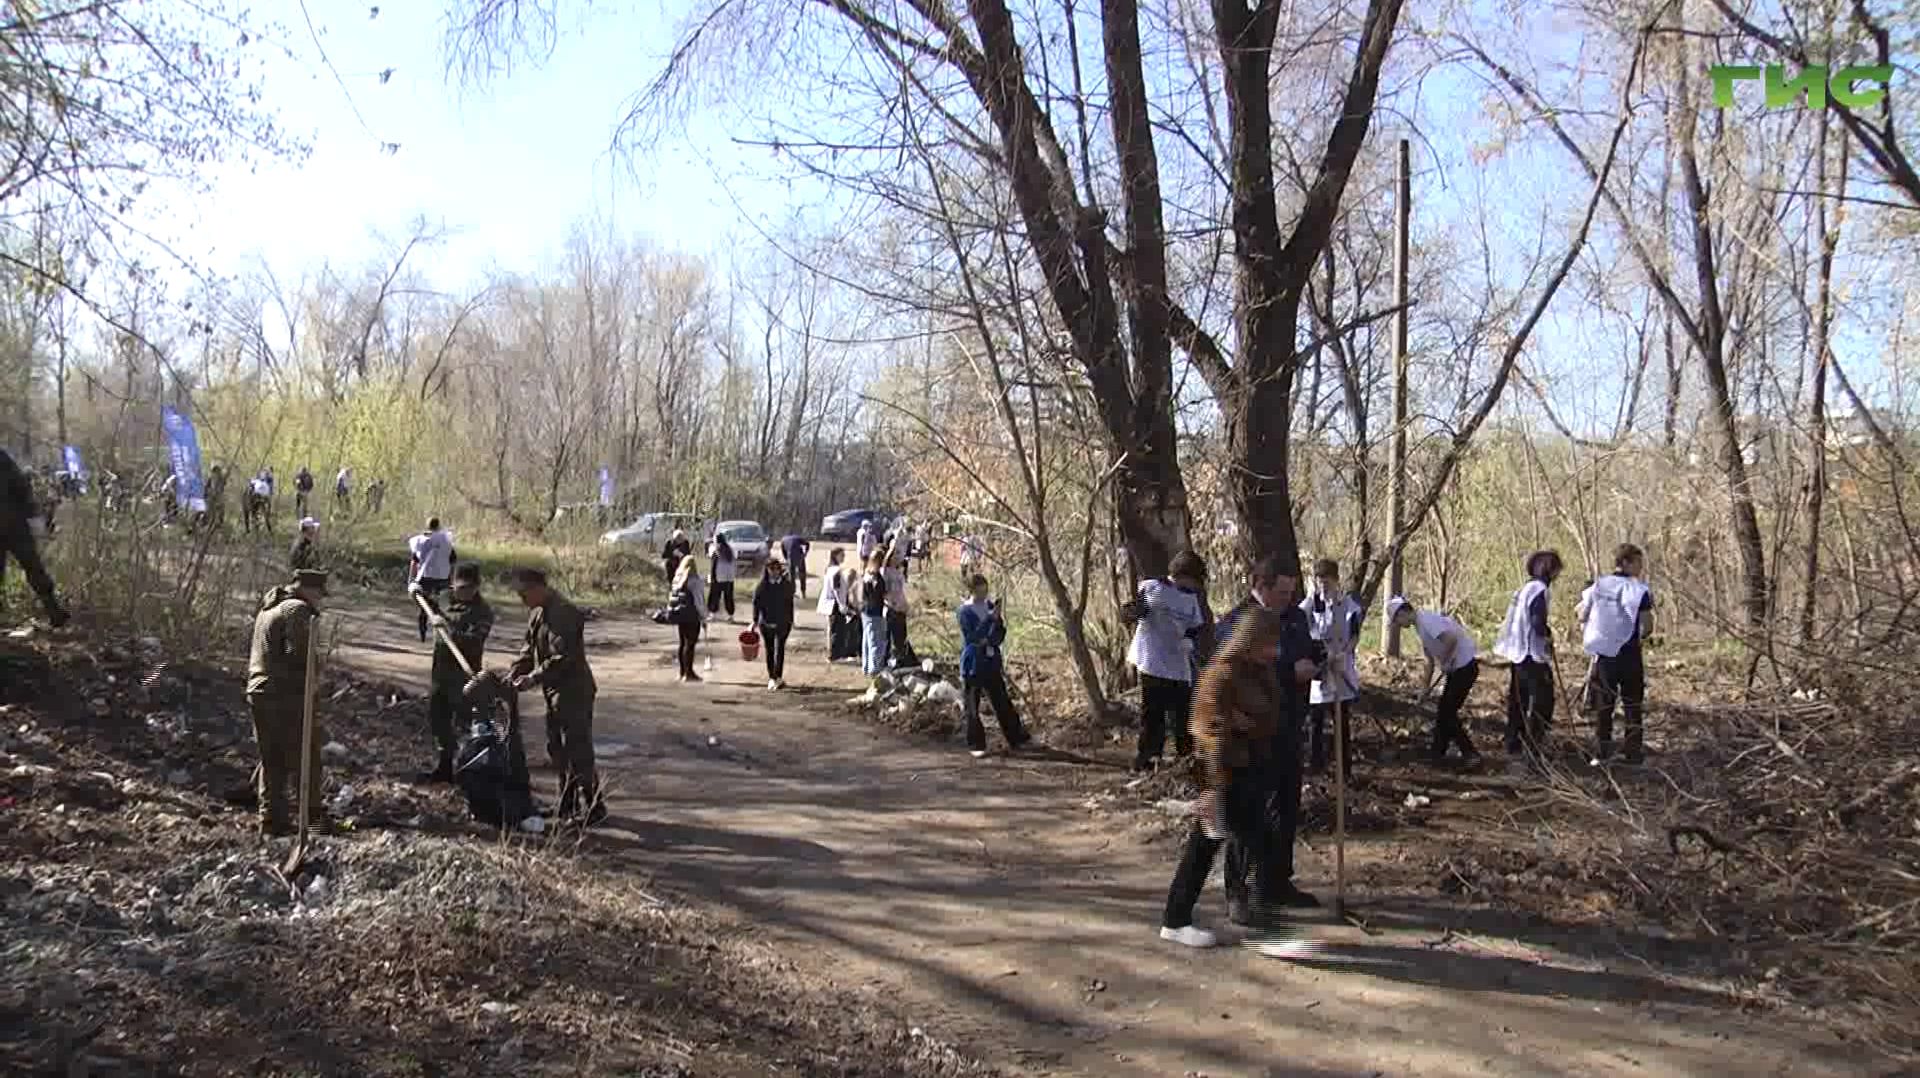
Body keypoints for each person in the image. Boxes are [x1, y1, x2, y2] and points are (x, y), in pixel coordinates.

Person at [1159, 606, 1293, 947]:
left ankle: (1183, 918)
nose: (1273, 651)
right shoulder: (1220, 676)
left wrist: (1248, 724)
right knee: (1219, 845)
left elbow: (1271, 718)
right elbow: (1208, 734)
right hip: (1224, 776)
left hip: (1251, 773)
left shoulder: (1262, 674)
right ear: (1251, 640)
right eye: (1268, 643)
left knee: (1247, 844)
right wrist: (1213, 788)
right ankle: (1178, 921)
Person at [1212, 557, 1324, 919]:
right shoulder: (1235, 623)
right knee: (1248, 813)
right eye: (1281, 593)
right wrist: (1288, 671)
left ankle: (1275, 882)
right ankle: (1238, 891)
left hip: (1289, 727)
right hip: (1249, 734)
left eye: (1292, 593)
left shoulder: (1294, 618)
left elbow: (1304, 650)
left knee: (1285, 809)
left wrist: (1321, 656)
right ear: (1259, 585)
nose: (1287, 600)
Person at [507, 568, 603, 824]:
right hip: (555, 691)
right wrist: (514, 672)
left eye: (523, 594)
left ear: (538, 588)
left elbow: (562, 658)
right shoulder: (537, 612)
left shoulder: (564, 612)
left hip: (574, 690)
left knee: (578, 750)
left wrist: (533, 678)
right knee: (558, 749)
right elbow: (528, 649)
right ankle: (566, 805)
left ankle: (594, 806)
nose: (521, 600)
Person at [245, 568, 329, 836]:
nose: (320, 601)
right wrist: (315, 681)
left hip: (259, 690)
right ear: (310, 591)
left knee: (272, 759)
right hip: (285, 693)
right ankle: (313, 820)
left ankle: (272, 822)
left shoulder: (269, 607)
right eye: (319, 595)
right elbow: (298, 655)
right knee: (307, 756)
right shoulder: (297, 610)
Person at [1125, 551, 1208, 772]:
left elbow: (1195, 626)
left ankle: (1186, 760)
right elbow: (1135, 612)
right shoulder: (1152, 587)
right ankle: (1147, 760)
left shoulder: (1191, 599)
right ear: (1182, 575)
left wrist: (1190, 640)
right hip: (1152, 661)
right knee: (1153, 715)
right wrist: (1134, 612)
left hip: (1178, 665)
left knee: (1182, 716)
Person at [414, 562, 494, 783]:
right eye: (460, 588)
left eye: (469, 588)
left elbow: (474, 640)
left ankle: (465, 771)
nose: (464, 592)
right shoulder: (444, 598)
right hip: (440, 672)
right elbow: (427, 603)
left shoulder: (483, 612)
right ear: (452, 584)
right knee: (438, 719)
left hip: (464, 677)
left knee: (463, 725)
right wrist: (416, 592)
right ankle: (444, 766)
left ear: (477, 586)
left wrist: (446, 627)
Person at [1576, 543, 1655, 764]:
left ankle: (1602, 751)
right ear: (1627, 562)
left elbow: (1581, 614)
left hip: (1603, 654)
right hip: (1629, 654)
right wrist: (1641, 636)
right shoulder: (1639, 590)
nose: (1641, 567)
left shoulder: (1599, 585)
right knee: (1632, 703)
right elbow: (1648, 626)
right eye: (1638, 562)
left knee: (1604, 704)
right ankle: (1633, 752)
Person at [1386, 596, 1482, 766]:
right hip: (1457, 668)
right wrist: (1424, 689)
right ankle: (1437, 752)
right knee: (1444, 711)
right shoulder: (1421, 627)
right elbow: (1429, 662)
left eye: (1397, 620)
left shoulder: (1427, 621)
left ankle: (1470, 754)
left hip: (1465, 667)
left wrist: (1445, 661)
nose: (1399, 625)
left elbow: (1451, 639)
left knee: (1447, 712)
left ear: (1404, 612)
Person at [1495, 549, 1564, 760]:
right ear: (1550, 570)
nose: (1558, 576)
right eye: (1557, 571)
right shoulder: (1539, 590)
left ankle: (1513, 742)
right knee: (1543, 701)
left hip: (1517, 654)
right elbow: (1536, 622)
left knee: (1518, 700)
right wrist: (1548, 636)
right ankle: (1534, 745)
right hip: (1530, 653)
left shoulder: (1524, 588)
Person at [957, 574, 1030, 758]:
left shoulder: (989, 606)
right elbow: (972, 637)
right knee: (972, 705)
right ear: (972, 590)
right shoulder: (964, 611)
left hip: (990, 660)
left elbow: (999, 630)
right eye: (980, 590)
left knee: (1002, 701)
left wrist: (992, 635)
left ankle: (1017, 737)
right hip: (973, 663)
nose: (983, 594)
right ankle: (976, 743)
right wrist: (989, 620)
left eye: (985, 589)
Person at [1302, 558, 1363, 776]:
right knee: (1316, 721)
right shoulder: (1312, 603)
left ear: (1336, 580)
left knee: (1341, 722)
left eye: (1326, 582)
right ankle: (1316, 765)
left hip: (1341, 667)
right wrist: (1311, 599)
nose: (1322, 586)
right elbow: (1301, 621)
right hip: (1320, 668)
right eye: (1319, 582)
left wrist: (1344, 653)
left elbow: (1355, 634)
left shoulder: (1348, 605)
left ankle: (1345, 769)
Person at [0, 446, 71, 628]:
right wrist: (32, 515)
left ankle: (53, 611)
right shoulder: (2, 457)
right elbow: (22, 487)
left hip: (13, 522)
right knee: (33, 566)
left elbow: (21, 486)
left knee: (33, 566)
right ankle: (53, 610)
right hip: (15, 524)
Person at [407, 517, 458, 643]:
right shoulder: (446, 541)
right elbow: (452, 563)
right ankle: (441, 637)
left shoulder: (419, 541)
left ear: (427, 526)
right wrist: (451, 580)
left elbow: (414, 563)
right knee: (442, 607)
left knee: (424, 608)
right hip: (442, 578)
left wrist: (411, 580)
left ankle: (423, 635)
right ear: (438, 526)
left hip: (425, 578)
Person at [752, 555, 796, 690]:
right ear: (767, 570)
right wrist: (755, 621)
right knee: (770, 650)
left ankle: (778, 676)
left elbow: (790, 603)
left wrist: (791, 619)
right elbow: (756, 604)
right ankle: (772, 677)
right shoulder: (762, 586)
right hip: (766, 623)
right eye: (772, 568)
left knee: (780, 649)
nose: (775, 571)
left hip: (783, 622)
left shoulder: (786, 584)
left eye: (777, 568)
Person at [668, 554, 707, 682]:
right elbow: (698, 601)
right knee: (690, 644)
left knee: (682, 643)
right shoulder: (695, 580)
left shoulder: (677, 579)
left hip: (680, 614)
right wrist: (703, 616)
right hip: (692, 615)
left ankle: (682, 672)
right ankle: (689, 673)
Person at [855, 550, 890, 682]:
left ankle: (866, 666)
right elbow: (879, 593)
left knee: (867, 640)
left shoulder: (866, 573)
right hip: (874, 611)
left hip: (865, 610)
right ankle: (874, 670)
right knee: (875, 641)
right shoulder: (876, 576)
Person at [883, 542, 917, 668]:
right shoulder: (885, 572)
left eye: (899, 555)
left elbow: (901, 591)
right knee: (892, 636)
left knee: (901, 635)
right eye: (895, 555)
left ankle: (901, 659)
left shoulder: (899, 572)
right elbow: (885, 592)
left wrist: (906, 605)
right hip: (891, 608)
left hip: (901, 607)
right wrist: (892, 604)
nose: (898, 557)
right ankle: (890, 659)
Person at [706, 531, 737, 622]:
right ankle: (730, 615)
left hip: (718, 577)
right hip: (730, 578)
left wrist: (711, 577)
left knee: (714, 596)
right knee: (729, 597)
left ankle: (713, 615)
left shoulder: (715, 550)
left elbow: (713, 565)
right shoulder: (730, 549)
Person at [781, 531, 811, 598]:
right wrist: (805, 553)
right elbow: (807, 544)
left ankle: (792, 593)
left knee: (792, 576)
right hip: (800, 556)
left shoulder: (783, 540)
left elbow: (783, 552)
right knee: (802, 574)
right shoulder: (798, 537)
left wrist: (787, 559)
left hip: (791, 556)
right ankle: (803, 593)